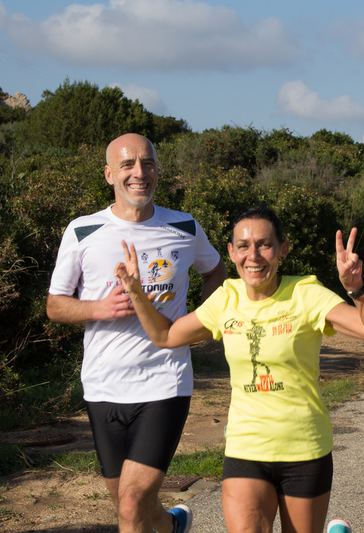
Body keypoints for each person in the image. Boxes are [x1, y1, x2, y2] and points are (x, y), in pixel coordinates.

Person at [114, 204, 364, 533]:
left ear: (282, 249)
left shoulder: (306, 294)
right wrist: (135, 291)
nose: (254, 256)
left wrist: (356, 288)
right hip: (246, 446)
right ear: (231, 252)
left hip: (304, 447)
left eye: (265, 244)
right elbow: (165, 335)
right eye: (244, 246)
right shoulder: (225, 299)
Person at [47, 133, 228, 533]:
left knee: (130, 503)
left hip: (165, 380)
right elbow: (55, 304)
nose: (139, 173)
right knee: (132, 507)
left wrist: (204, 319)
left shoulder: (183, 226)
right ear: (110, 174)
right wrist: (99, 308)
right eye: (128, 165)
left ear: (158, 171)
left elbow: (215, 270)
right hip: (103, 384)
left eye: (147, 163)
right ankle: (173, 526)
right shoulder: (82, 231)